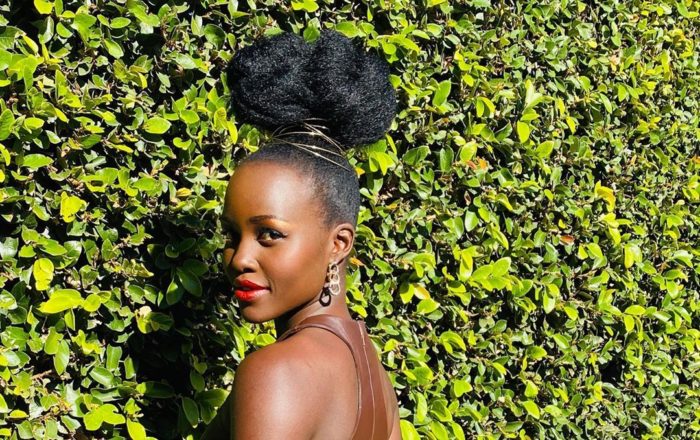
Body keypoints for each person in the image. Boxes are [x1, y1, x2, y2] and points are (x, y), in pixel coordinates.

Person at [200, 30, 401, 439]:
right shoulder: (372, 376)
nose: (240, 258)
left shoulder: (279, 372)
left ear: (338, 244)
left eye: (269, 234)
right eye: (231, 235)